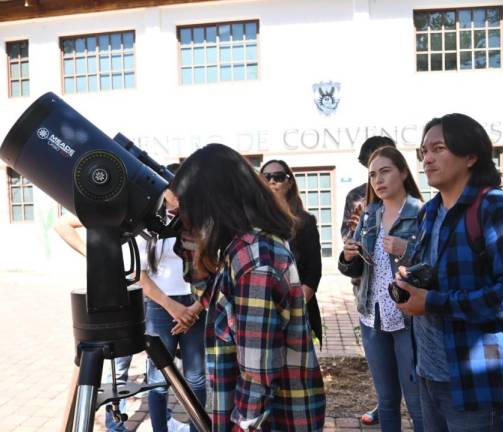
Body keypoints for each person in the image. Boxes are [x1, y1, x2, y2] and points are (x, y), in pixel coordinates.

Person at [395, 113, 503, 432]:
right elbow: (437, 273)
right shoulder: (430, 212)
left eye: (439, 148)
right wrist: (410, 280)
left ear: (471, 156)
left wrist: (434, 302)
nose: (427, 159)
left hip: (475, 381)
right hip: (428, 372)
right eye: (423, 151)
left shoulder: (495, 208)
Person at [171, 143, 326, 431]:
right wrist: (192, 241)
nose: (184, 215)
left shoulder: (255, 260)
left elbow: (258, 374)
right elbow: (205, 291)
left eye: (189, 206)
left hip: (274, 421)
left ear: (211, 204)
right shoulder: (241, 247)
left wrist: (241, 427)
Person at [54, 212, 193, 432]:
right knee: (117, 368)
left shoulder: (136, 211)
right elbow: (63, 224)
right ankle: (115, 427)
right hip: (110, 297)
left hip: (138, 296)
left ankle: (162, 419)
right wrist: (94, 256)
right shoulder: (112, 209)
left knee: (153, 365)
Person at [338, 146, 425, 432]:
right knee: (386, 399)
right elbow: (355, 270)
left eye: (385, 171)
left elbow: (434, 266)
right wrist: (348, 256)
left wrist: (406, 250)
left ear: (402, 172)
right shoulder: (369, 214)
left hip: (408, 319)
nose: (378, 180)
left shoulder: (421, 212)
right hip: (372, 318)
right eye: (373, 174)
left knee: (417, 402)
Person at [139, 167, 206, 432]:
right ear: (164, 190)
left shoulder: (203, 222)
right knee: (159, 377)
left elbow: (217, 270)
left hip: (197, 304)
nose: (178, 194)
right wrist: (172, 307)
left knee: (196, 377)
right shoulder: (149, 221)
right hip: (160, 305)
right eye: (173, 188)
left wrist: (195, 308)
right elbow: (139, 274)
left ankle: (197, 428)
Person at [339, 135, 396, 426]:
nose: (378, 171)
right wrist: (355, 248)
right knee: (380, 358)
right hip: (367, 288)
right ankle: (384, 403)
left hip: (404, 299)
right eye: (371, 165)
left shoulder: (412, 202)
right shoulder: (358, 197)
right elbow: (348, 238)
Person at [259, 159, 323, 347]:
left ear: (289, 183)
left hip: (297, 308)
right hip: (262, 310)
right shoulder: (251, 222)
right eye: (266, 177)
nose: (272, 181)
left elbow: (313, 271)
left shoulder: (305, 221)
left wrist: (293, 309)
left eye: (278, 177)